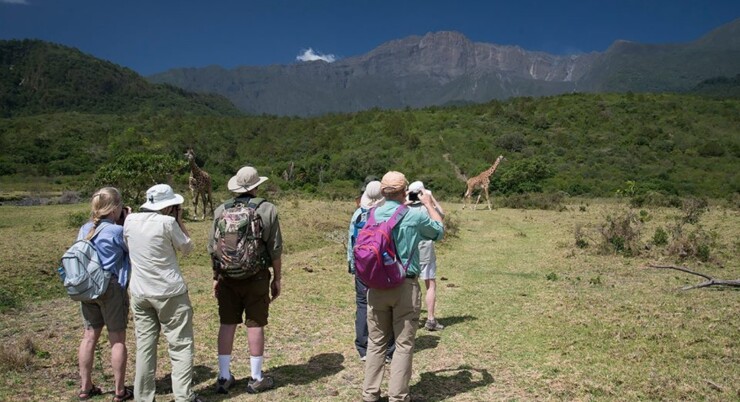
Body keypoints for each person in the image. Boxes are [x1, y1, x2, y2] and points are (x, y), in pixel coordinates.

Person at [362, 171, 444, 402]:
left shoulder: (372, 213)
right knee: (403, 344)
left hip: (376, 285)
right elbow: (439, 232)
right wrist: (428, 204)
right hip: (404, 285)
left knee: (376, 342)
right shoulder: (412, 216)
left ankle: (370, 393)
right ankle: (398, 396)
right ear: (404, 191)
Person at [123, 184, 203, 402]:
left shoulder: (129, 221)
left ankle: (143, 397)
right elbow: (187, 248)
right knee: (181, 344)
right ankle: (183, 397)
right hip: (170, 292)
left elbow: (127, 245)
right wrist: (180, 220)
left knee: (145, 347)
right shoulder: (168, 223)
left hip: (140, 292)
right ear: (169, 207)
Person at [208, 166, 283, 394]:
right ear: (256, 186)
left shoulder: (221, 209)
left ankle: (223, 376)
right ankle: (256, 376)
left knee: (227, 323)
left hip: (227, 277)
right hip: (256, 276)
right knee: (255, 324)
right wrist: (277, 279)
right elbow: (275, 249)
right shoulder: (267, 209)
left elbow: (213, 247)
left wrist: (216, 277)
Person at [75, 187, 133, 402]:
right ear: (115, 208)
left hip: (87, 288)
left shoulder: (84, 229)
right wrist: (127, 222)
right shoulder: (117, 232)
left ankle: (85, 386)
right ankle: (119, 391)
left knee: (89, 336)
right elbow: (130, 251)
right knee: (117, 339)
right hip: (111, 286)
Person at [347, 181, 395, 362]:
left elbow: (352, 243)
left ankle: (363, 347)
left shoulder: (358, 214)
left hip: (363, 268)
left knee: (362, 305)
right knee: (388, 306)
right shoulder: (389, 214)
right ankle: (388, 350)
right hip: (384, 268)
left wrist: (352, 266)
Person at [407, 181, 446, 331]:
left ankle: (411, 318)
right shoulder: (427, 209)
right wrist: (431, 199)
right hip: (426, 251)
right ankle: (430, 318)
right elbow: (441, 216)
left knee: (411, 284)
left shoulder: (405, 209)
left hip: (410, 252)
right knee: (430, 284)